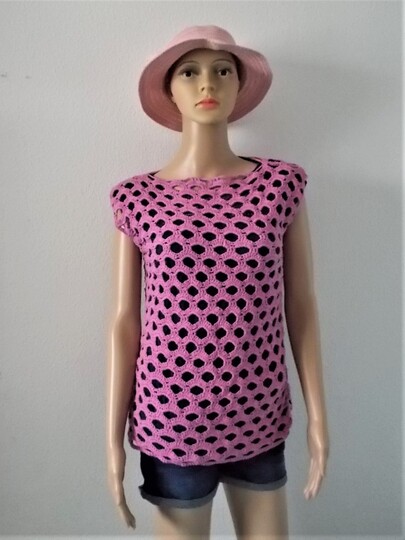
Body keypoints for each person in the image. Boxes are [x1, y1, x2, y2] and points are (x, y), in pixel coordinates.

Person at [106, 25, 329, 539]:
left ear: (239, 84)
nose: (208, 83)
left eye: (222, 71)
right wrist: (112, 442)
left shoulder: (279, 186)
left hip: (258, 416)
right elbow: (124, 321)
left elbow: (301, 304)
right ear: (170, 90)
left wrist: (319, 419)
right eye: (190, 72)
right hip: (171, 423)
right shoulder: (137, 199)